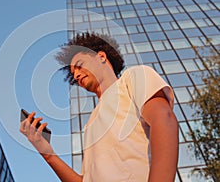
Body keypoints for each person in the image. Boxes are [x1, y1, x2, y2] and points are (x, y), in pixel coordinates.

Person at [20, 32, 179, 182]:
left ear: (101, 57)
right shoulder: (90, 125)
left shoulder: (132, 78)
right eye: (73, 73)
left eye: (79, 65)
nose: (76, 75)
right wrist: (46, 152)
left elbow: (164, 119)